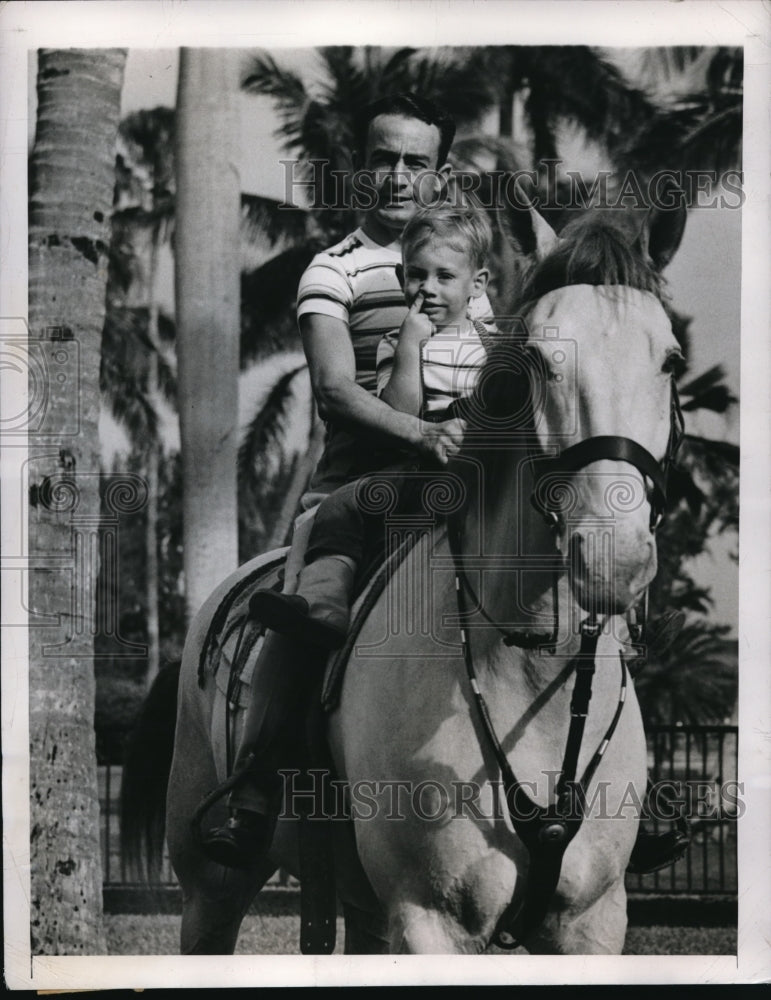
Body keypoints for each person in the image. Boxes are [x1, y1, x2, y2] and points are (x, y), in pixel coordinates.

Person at [201, 93, 494, 868]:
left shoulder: (466, 270)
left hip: (455, 485)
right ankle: (256, 786)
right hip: (357, 487)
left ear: (439, 173)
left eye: (415, 162)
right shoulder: (332, 270)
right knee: (306, 619)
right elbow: (335, 390)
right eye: (382, 158)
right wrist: (425, 434)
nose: (396, 176)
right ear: (359, 167)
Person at [249, 205, 493, 650]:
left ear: (477, 284)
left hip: (481, 476)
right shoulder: (395, 343)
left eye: (445, 277)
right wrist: (409, 348)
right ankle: (322, 601)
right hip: (420, 472)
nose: (428, 289)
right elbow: (398, 410)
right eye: (417, 275)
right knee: (342, 505)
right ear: (402, 278)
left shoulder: (494, 348)